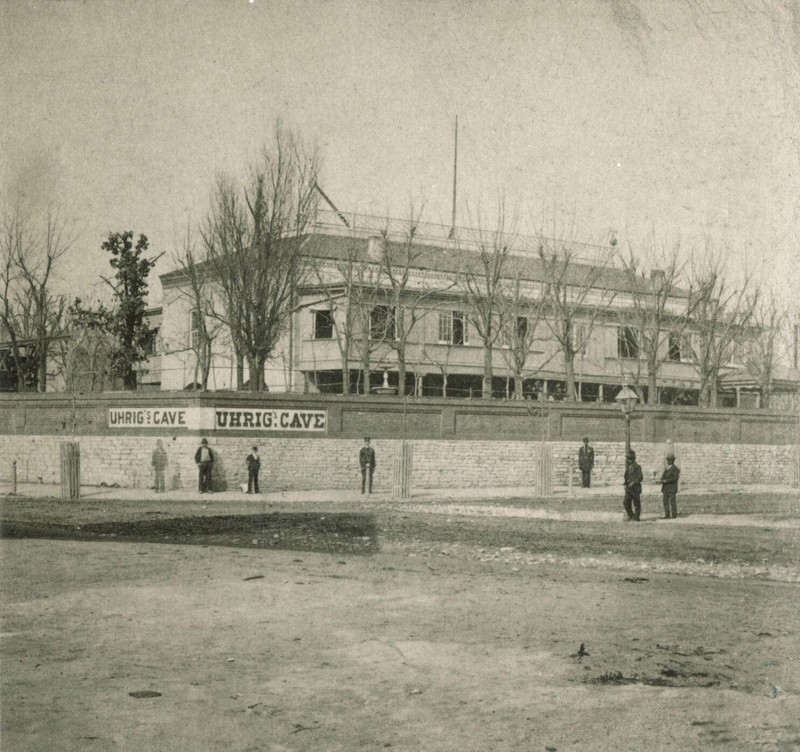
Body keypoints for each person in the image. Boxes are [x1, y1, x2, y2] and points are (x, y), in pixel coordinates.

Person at [623, 449, 643, 521]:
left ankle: (637, 517)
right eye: (628, 458)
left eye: (630, 459)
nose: (628, 460)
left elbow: (640, 477)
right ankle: (631, 516)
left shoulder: (637, 467)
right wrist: (625, 484)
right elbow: (626, 476)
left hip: (635, 488)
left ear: (633, 459)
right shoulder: (628, 467)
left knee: (636, 503)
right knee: (625, 502)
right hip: (629, 488)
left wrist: (633, 482)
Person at [660, 451, 680, 519]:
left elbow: (675, 478)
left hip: (671, 487)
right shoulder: (667, 468)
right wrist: (662, 480)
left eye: (670, 460)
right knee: (665, 501)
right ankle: (667, 514)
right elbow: (663, 476)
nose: (669, 461)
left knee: (672, 501)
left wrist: (666, 480)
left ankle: (674, 515)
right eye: (668, 460)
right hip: (665, 487)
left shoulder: (675, 469)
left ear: (673, 460)